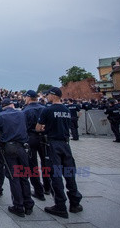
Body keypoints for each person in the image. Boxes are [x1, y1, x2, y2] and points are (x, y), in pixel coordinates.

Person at [36, 87, 83, 218]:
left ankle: (60, 205)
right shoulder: (66, 109)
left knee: (55, 174)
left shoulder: (48, 109)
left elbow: (38, 128)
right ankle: (75, 203)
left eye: (48, 95)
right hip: (65, 144)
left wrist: (45, 127)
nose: (47, 97)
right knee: (69, 173)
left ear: (53, 95)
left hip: (53, 143)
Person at [0, 98, 34, 218]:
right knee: (24, 176)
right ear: (12, 105)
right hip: (23, 147)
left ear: (3, 106)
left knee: (14, 177)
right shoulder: (22, 113)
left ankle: (18, 206)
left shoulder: (1, 116)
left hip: (10, 147)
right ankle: (28, 204)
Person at [22, 90, 51, 199]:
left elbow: (23, 126)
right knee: (45, 162)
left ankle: (38, 190)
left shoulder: (25, 110)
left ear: (29, 98)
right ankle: (47, 187)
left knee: (32, 164)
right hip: (44, 138)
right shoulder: (44, 108)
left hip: (31, 138)